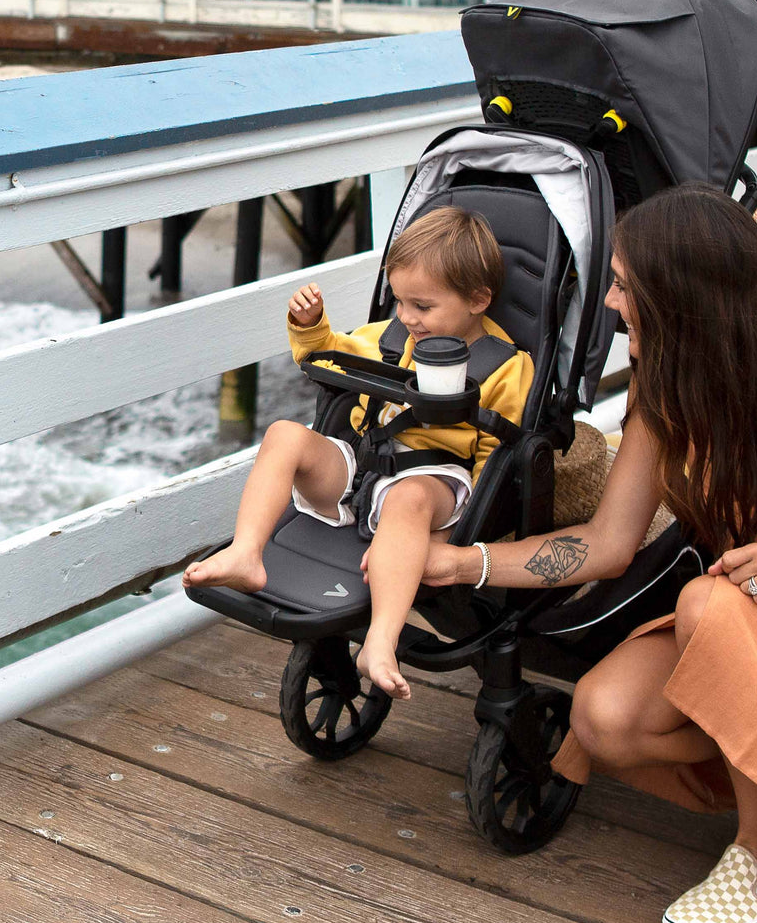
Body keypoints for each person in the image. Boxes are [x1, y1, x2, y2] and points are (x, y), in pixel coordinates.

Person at [414, 183, 757, 923]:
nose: (610, 305)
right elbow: (608, 544)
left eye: (622, 285)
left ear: (685, 300)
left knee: (709, 602)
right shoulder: (670, 386)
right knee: (604, 717)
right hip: (752, 622)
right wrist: (465, 563)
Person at [184, 206, 534, 702]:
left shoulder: (506, 368)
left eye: (423, 306)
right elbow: (325, 355)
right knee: (286, 432)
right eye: (400, 302)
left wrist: (454, 533)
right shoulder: (391, 337)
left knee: (408, 498)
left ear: (478, 300)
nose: (408, 317)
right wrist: (309, 325)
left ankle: (381, 640)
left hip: (433, 483)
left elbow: (496, 460)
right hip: (363, 466)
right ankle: (246, 552)